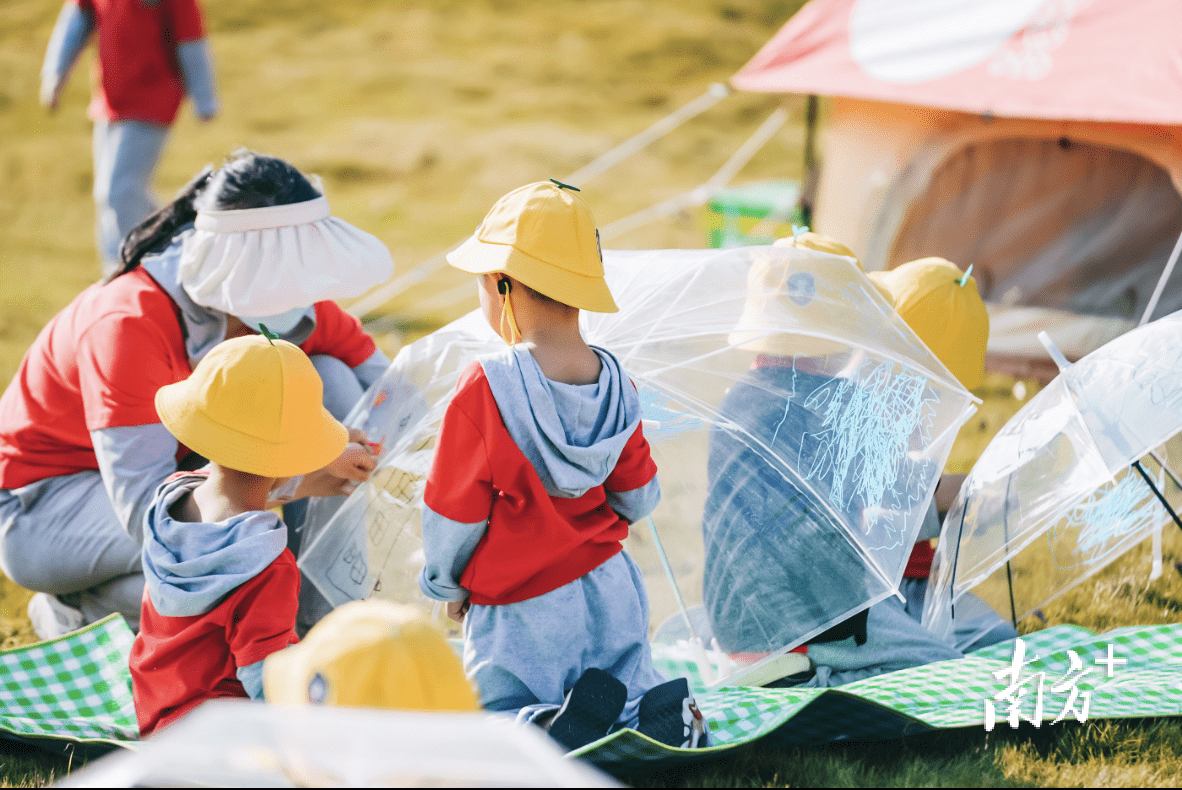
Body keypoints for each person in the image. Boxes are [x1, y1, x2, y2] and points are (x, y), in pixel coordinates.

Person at [0, 151, 394, 639]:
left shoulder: (277, 297)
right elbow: (150, 513)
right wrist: (299, 475)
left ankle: (317, 615)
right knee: (222, 569)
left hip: (172, 479)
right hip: (48, 506)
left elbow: (384, 385)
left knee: (328, 377)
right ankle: (78, 608)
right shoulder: (127, 325)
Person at [417, 181, 707, 751]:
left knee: (499, 710)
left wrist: (446, 583)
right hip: (610, 585)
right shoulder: (615, 378)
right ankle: (652, 715)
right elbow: (640, 497)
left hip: (519, 599)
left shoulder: (485, 386)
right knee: (621, 682)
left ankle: (547, 725)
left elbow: (453, 511)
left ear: (503, 285)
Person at [701, 236, 966, 688]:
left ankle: (774, 666)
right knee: (942, 663)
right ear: (833, 337)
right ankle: (819, 671)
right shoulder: (843, 405)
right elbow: (906, 490)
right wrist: (965, 484)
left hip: (733, 621)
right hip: (815, 618)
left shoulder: (734, 403)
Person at [129, 333, 371, 735]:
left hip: (155, 713)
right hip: (217, 736)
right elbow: (268, 680)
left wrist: (303, 479)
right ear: (293, 454)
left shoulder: (170, 498)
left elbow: (239, 486)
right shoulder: (267, 565)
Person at [868, 257, 1018, 651]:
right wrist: (965, 490)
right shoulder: (867, 407)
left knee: (999, 638)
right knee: (964, 649)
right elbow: (880, 504)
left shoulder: (909, 407)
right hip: (875, 592)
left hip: (916, 580)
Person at [40, 0, 220, 274]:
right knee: (125, 193)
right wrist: (55, 72)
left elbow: (190, 37)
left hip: (153, 99)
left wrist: (204, 97)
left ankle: (120, 271)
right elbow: (77, 20)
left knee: (117, 192)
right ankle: (192, 244)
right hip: (110, 100)